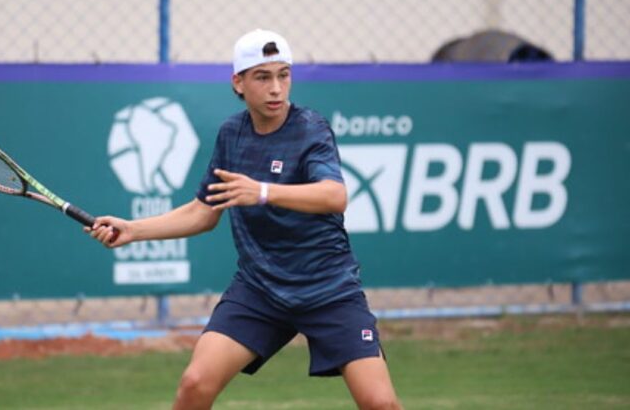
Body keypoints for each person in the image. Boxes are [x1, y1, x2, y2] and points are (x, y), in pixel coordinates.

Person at [88, 29, 401, 410]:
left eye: (283, 75)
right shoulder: (231, 134)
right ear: (238, 82)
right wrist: (133, 230)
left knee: (380, 404)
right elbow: (204, 213)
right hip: (260, 291)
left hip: (329, 290)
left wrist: (263, 191)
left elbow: (335, 196)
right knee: (195, 383)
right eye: (263, 77)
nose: (276, 88)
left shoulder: (310, 128)